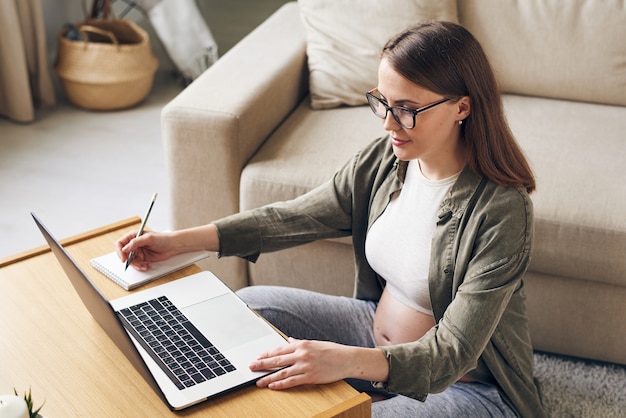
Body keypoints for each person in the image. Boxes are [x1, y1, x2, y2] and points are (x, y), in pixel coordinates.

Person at [116, 21, 546, 417]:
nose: (388, 124)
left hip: (467, 388)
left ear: (462, 108)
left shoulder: (502, 210)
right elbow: (298, 216)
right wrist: (181, 241)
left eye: (407, 108)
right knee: (248, 306)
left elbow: (452, 352)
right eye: (382, 102)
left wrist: (338, 361)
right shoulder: (388, 159)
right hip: (370, 336)